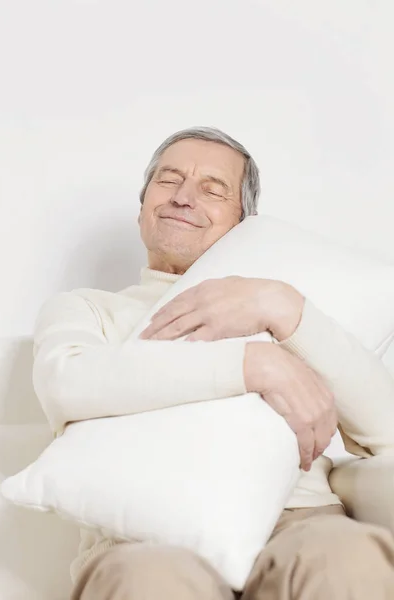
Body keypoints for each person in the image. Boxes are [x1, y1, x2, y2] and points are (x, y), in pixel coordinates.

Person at [33, 127, 394, 599]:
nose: (184, 197)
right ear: (143, 207)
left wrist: (282, 305)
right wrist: (249, 364)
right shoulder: (88, 308)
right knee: (151, 582)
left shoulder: (287, 312)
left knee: (348, 558)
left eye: (212, 189)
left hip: (297, 521)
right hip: (144, 534)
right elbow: (67, 383)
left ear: (244, 221)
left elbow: (385, 431)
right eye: (168, 180)